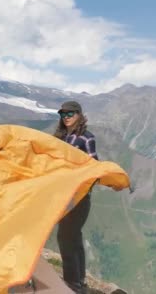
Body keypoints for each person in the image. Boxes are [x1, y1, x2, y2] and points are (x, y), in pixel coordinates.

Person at [53, 100, 98, 293]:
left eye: (70, 114)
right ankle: (79, 281)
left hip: (79, 197)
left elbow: (94, 168)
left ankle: (72, 282)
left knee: (65, 236)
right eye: (63, 114)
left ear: (79, 114)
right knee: (74, 237)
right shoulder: (62, 137)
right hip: (65, 196)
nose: (66, 117)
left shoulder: (86, 138)